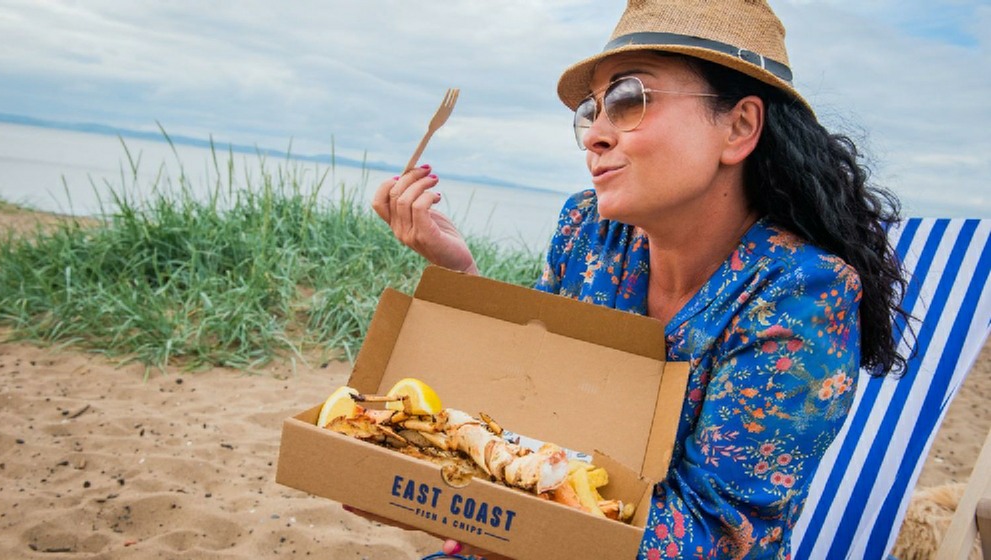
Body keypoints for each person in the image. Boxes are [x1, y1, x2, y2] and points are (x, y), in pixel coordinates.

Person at [370, 0, 908, 557]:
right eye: (591, 110)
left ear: (739, 127)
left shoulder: (801, 294)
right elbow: (529, 393)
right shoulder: (591, 233)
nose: (595, 135)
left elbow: (717, 533)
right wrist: (459, 272)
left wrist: (509, 524)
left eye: (629, 98)